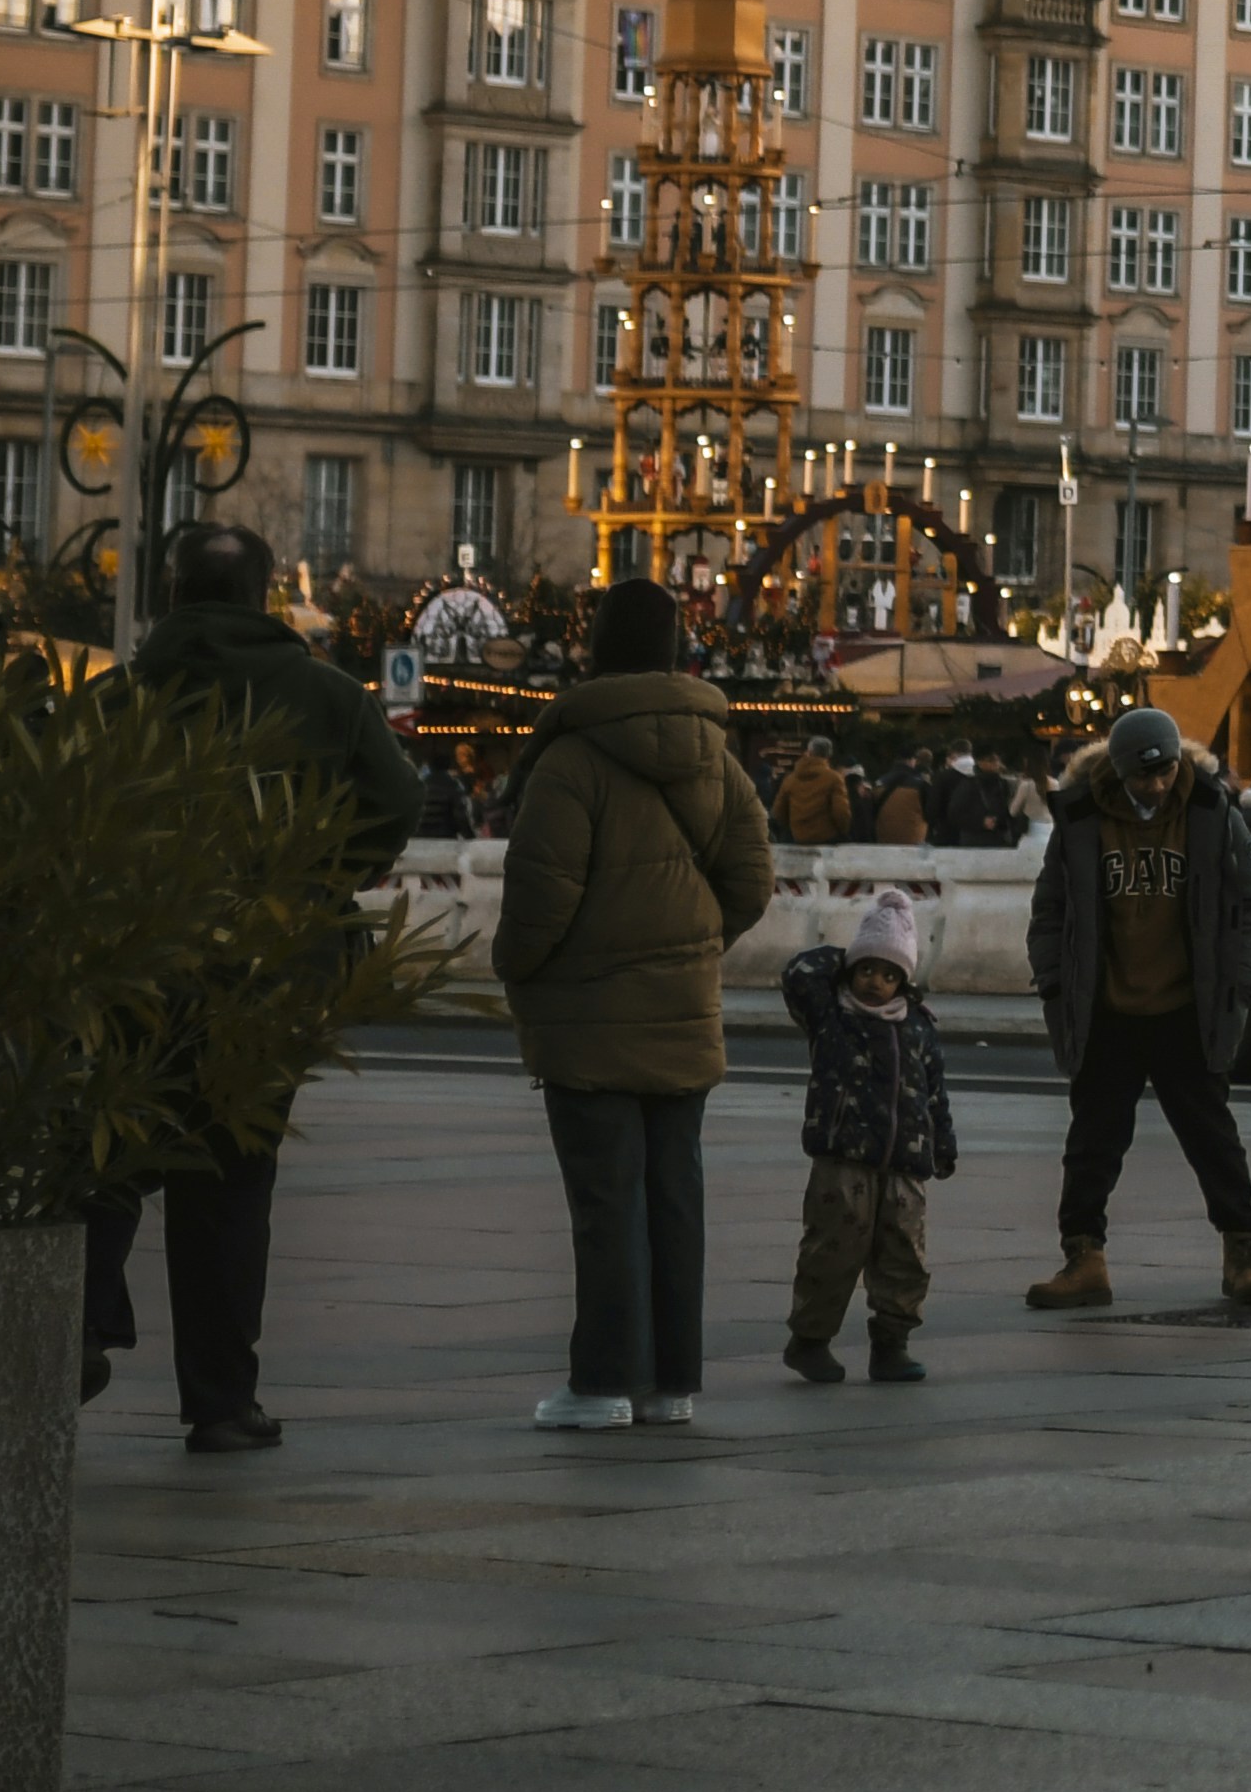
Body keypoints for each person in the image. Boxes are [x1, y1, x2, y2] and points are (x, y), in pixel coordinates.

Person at [95, 522, 422, 1456]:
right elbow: (397, 801)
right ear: (262, 597)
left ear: (172, 593)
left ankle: (80, 1323)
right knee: (231, 1182)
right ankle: (221, 1403)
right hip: (270, 972)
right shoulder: (325, 696)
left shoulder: (124, 697)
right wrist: (324, 881)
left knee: (107, 1150)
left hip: (137, 959)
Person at [496, 578, 776, 1433]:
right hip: (682, 1011)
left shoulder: (571, 760)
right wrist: (685, 946)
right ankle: (670, 1386)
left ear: (594, 650)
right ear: (676, 652)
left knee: (605, 1204)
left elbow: (539, 903)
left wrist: (518, 968)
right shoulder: (719, 759)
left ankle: (602, 1382)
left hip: (588, 1020)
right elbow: (752, 884)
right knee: (674, 1199)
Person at [1019, 708, 1251, 1315]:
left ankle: (1242, 1255)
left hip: (1188, 1006)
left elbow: (1250, 902)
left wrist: (1240, 981)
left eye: (1163, 775)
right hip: (1107, 1006)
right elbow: (1049, 908)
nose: (1154, 787)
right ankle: (1084, 1258)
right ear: (1119, 770)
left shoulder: (1214, 813)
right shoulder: (1080, 818)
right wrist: (1054, 982)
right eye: (1141, 778)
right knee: (1092, 1141)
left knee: (1213, 1137)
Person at [775, 883, 960, 1386]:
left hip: (905, 1162)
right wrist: (858, 946)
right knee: (831, 1251)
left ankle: (892, 1344)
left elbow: (934, 1093)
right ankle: (810, 1341)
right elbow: (798, 972)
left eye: (889, 973)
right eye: (866, 970)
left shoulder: (918, 1026)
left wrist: (942, 1146)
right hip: (844, 1160)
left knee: (904, 1257)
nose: (875, 982)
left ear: (905, 979)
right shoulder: (832, 1015)